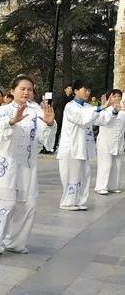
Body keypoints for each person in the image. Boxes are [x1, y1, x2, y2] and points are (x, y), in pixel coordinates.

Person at [0, 76, 56, 256]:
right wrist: (12, 121)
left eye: (30, 89)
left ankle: (16, 243)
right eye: (22, 89)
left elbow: (45, 140)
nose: (26, 92)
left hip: (28, 165)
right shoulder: (3, 110)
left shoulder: (38, 111)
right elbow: (0, 132)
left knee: (29, 205)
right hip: (6, 165)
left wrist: (49, 123)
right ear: (12, 90)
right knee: (6, 203)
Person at [56, 80, 101, 210]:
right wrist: (98, 108)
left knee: (84, 175)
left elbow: (99, 118)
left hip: (84, 148)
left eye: (89, 90)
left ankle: (80, 201)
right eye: (84, 89)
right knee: (71, 175)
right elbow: (81, 118)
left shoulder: (88, 107)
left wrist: (112, 111)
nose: (87, 92)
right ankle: (67, 202)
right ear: (75, 91)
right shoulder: (70, 106)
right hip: (72, 148)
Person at [94, 89, 125, 195]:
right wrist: (111, 110)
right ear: (109, 98)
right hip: (105, 142)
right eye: (114, 96)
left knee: (117, 164)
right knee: (105, 164)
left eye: (119, 96)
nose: (117, 98)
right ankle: (101, 186)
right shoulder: (105, 110)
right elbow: (99, 121)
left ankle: (113, 186)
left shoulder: (123, 111)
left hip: (118, 142)